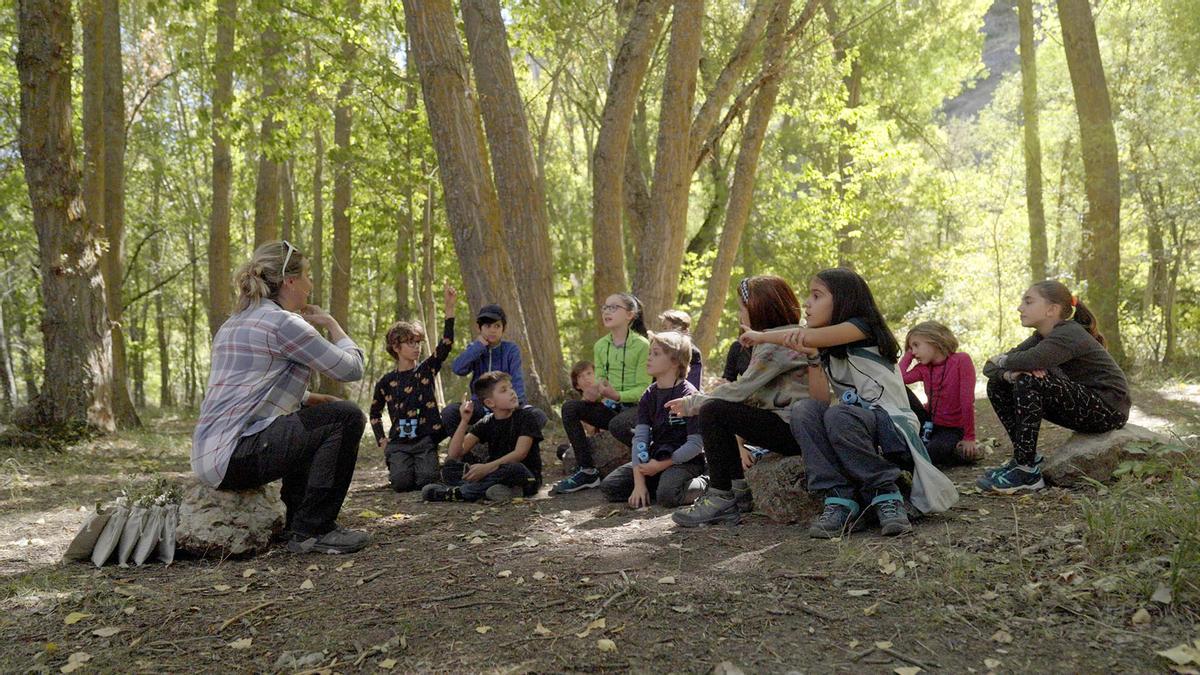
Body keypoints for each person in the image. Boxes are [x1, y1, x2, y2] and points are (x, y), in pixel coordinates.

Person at [192, 240, 369, 555]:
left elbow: (248, 388)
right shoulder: (284, 323)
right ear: (289, 280)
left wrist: (311, 398)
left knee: (318, 417)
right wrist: (332, 324)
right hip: (236, 454)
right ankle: (315, 528)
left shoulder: (233, 323)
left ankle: (297, 522)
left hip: (211, 455)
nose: (309, 286)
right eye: (306, 277)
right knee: (347, 416)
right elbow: (351, 368)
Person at [755, 268, 958, 538]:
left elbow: (806, 336)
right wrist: (814, 358)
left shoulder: (863, 327)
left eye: (816, 296)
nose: (807, 303)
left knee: (840, 415)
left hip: (893, 428)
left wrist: (761, 336)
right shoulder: (828, 349)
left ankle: (885, 494)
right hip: (854, 425)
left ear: (842, 300)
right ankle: (839, 498)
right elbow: (819, 403)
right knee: (805, 410)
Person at [667, 276, 827, 527]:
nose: (740, 315)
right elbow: (750, 394)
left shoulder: (776, 344)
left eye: (742, 308)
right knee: (720, 411)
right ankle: (737, 488)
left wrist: (693, 403)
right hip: (790, 423)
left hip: (794, 428)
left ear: (759, 308)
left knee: (713, 410)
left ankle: (721, 496)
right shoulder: (780, 338)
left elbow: (741, 390)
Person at [977, 280, 1130, 494]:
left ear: (1052, 309)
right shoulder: (1041, 337)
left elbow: (1027, 359)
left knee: (1029, 380)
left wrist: (1006, 361)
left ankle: (1027, 472)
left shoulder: (1070, 333)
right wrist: (1010, 372)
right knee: (998, 384)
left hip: (1108, 409)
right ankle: (1028, 459)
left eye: (1028, 302)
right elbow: (989, 368)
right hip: (1085, 404)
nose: (1020, 308)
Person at [552, 293, 653, 493]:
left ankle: (651, 458)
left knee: (618, 424)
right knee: (570, 407)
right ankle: (587, 471)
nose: (607, 311)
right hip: (611, 409)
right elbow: (602, 380)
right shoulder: (601, 345)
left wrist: (617, 395)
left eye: (614, 308)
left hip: (638, 410)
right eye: (605, 307)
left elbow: (644, 389)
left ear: (630, 315)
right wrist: (595, 391)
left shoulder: (642, 345)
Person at [600, 331, 705, 508]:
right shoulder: (649, 394)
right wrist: (639, 483)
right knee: (611, 487)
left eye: (656, 354)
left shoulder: (689, 396)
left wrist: (662, 465)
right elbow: (640, 438)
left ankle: (706, 482)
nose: (649, 358)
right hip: (657, 457)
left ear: (675, 361)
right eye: (650, 353)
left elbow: (695, 444)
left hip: (685, 461)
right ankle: (658, 485)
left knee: (668, 496)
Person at [370, 284, 457, 492]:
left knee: (427, 481)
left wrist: (449, 308)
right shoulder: (386, 382)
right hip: (399, 442)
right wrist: (381, 439)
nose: (416, 347)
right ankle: (399, 466)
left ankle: (427, 465)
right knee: (401, 483)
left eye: (417, 343)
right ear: (396, 348)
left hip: (425, 440)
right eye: (410, 343)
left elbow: (445, 345)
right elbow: (374, 412)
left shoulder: (425, 371)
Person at [422, 372, 544, 503]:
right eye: (504, 390)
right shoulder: (487, 422)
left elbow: (520, 453)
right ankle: (498, 491)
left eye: (511, 388)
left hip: (525, 477)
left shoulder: (526, 417)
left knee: (513, 467)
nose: (512, 392)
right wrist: (464, 420)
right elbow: (455, 454)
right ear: (490, 402)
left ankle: (459, 493)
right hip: (495, 475)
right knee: (450, 467)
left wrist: (487, 468)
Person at [442, 304, 547, 431]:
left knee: (538, 416)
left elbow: (516, 378)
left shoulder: (510, 349)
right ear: (479, 328)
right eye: (487, 326)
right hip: (480, 404)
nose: (492, 330)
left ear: (503, 328)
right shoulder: (475, 349)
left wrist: (516, 404)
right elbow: (458, 368)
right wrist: (479, 346)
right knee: (449, 412)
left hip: (507, 403)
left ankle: (516, 447)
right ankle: (468, 448)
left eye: (497, 326)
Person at [900, 321, 980, 467]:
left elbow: (967, 401)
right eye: (911, 349)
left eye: (916, 345)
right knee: (900, 388)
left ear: (935, 340)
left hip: (952, 428)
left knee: (930, 453)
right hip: (929, 422)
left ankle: (959, 453)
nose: (914, 352)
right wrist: (908, 356)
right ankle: (945, 451)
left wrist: (969, 437)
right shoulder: (923, 368)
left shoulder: (961, 361)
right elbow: (898, 379)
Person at [657, 309, 704, 389]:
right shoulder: (657, 349)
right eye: (665, 328)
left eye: (674, 328)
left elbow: (693, 385)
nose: (668, 332)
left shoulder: (693, 353)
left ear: (685, 331)